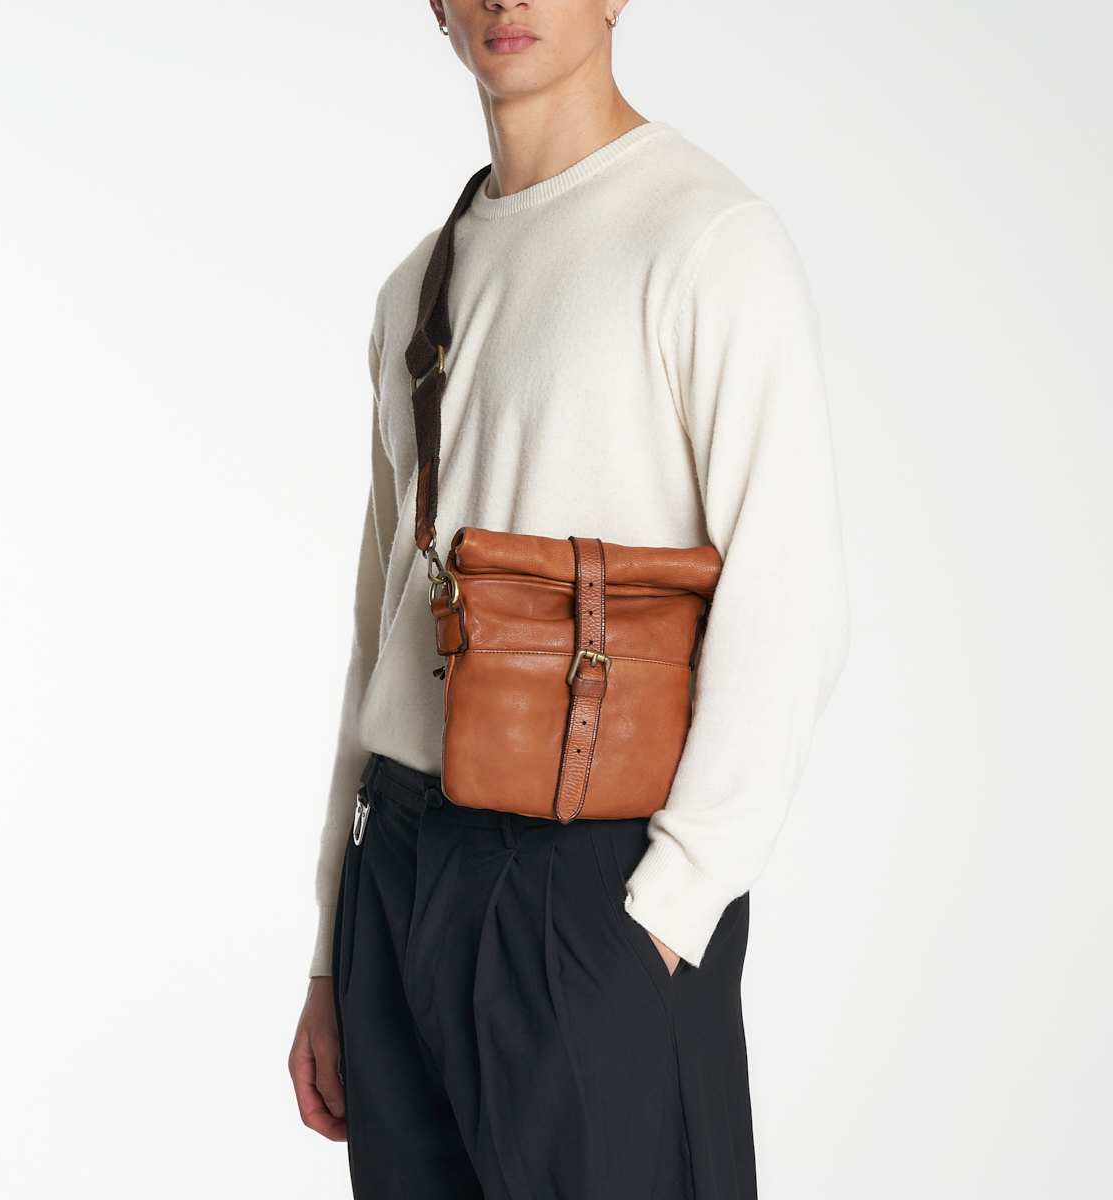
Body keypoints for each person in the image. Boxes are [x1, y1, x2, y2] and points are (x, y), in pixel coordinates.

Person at [289, 1, 849, 1196]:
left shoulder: (707, 240)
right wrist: (335, 945)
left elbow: (790, 597)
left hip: (590, 879)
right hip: (399, 861)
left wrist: (666, 916)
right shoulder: (414, 290)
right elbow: (378, 621)